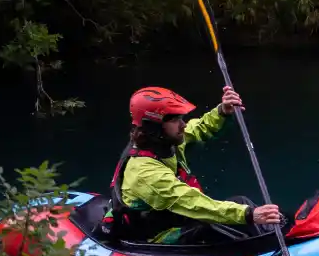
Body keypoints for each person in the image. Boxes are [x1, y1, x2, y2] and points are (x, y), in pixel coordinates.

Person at [105, 85, 285, 245]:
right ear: (154, 127)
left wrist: (222, 111)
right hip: (156, 236)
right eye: (176, 120)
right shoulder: (145, 173)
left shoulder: (165, 144)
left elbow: (197, 129)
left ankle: (279, 232)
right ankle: (267, 247)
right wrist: (249, 215)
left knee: (241, 202)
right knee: (212, 224)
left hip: (175, 218)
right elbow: (194, 204)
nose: (183, 125)